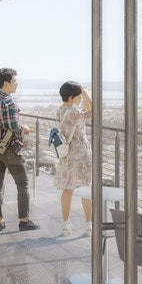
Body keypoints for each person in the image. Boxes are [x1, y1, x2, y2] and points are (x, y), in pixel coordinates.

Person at [0, 68, 39, 231]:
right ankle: (24, 220)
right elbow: (14, 126)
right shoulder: (9, 102)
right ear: (6, 83)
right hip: (11, 151)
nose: (17, 84)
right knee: (22, 184)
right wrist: (26, 128)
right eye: (14, 81)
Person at [55, 81, 93, 237]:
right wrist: (86, 94)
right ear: (71, 96)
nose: (79, 99)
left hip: (67, 153)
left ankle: (65, 225)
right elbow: (93, 111)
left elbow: (84, 112)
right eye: (78, 96)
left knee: (68, 188)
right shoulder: (73, 113)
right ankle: (88, 225)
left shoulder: (61, 110)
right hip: (80, 151)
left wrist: (82, 94)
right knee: (85, 188)